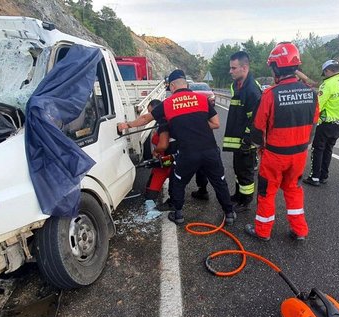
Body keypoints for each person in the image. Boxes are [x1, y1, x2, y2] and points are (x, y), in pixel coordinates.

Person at [118, 69, 236, 225]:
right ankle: (229, 214)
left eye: (169, 87)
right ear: (185, 83)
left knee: (178, 182)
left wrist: (127, 125)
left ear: (173, 85)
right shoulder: (201, 99)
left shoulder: (168, 103)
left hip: (188, 153)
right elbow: (216, 123)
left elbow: (146, 118)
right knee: (220, 182)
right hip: (209, 150)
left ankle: (178, 214)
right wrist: (196, 122)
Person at [244, 42, 318, 241]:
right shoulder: (311, 93)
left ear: (276, 67)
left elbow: (257, 129)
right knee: (294, 190)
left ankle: (263, 231)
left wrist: (260, 147)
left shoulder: (270, 95)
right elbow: (313, 124)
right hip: (299, 155)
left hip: (275, 156)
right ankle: (300, 230)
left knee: (267, 193)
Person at [206, 51, 261, 213]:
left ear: (244, 68)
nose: (230, 71)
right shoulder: (239, 86)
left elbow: (256, 120)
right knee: (238, 170)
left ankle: (245, 201)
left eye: (233, 68)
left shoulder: (252, 90)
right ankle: (238, 196)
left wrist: (247, 140)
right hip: (239, 140)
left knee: (246, 173)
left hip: (246, 142)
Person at [303, 59, 339, 186]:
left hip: (326, 122)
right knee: (328, 149)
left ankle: (314, 177)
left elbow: (318, 104)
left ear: (327, 71)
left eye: (324, 73)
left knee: (318, 149)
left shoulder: (328, 84)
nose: (324, 75)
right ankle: (324, 176)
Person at [144, 99, 176, 210]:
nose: (150, 115)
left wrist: (156, 152)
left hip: (170, 160)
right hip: (164, 160)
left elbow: (163, 144)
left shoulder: (164, 121)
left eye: (150, 112)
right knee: (149, 194)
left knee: (175, 181)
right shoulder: (160, 122)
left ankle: (174, 203)